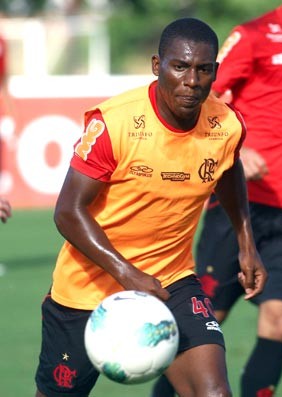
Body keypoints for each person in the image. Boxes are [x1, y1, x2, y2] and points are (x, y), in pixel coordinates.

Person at [34, 17, 267, 397]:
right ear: (157, 66)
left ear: (214, 72)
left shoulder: (227, 125)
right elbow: (67, 212)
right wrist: (127, 274)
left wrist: (246, 242)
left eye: (203, 70)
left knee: (214, 393)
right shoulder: (115, 123)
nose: (192, 81)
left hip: (169, 281)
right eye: (180, 67)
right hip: (85, 291)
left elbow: (228, 168)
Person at [151, 2, 282, 396]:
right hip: (239, 204)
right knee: (203, 320)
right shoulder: (252, 36)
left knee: (280, 318)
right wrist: (235, 149)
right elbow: (203, 93)